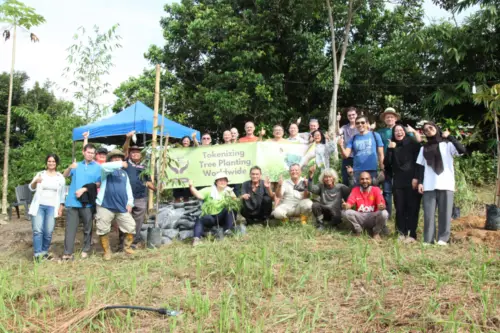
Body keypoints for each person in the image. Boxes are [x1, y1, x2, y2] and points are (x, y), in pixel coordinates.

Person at [416, 122, 466, 246]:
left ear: (437, 128)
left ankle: (443, 239)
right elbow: (420, 167)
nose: (428, 130)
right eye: (425, 130)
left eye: (431, 128)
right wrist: (420, 182)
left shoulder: (448, 145)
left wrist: (450, 137)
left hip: (446, 183)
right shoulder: (424, 148)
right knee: (428, 214)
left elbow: (462, 150)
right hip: (429, 184)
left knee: (445, 213)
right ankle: (428, 239)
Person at [377, 107, 422, 218]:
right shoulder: (380, 132)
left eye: (392, 117)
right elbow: (380, 149)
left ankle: (403, 215)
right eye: (387, 117)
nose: (389, 119)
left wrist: (414, 131)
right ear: (384, 119)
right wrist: (382, 165)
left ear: (395, 118)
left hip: (402, 166)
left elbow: (418, 143)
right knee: (387, 191)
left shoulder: (403, 130)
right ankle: (387, 215)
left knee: (401, 192)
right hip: (388, 163)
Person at [62, 144, 102, 261]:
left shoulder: (97, 167)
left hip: (87, 202)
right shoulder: (76, 165)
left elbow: (98, 183)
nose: (90, 154)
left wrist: (85, 189)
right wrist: (70, 167)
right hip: (72, 201)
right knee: (70, 228)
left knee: (88, 227)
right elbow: (64, 175)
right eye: (88, 152)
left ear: (94, 154)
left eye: (92, 153)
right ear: (83, 152)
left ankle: (86, 249)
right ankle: (68, 252)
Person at [95, 149, 136, 260]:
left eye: (119, 157)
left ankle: (127, 248)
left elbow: (128, 189)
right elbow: (103, 167)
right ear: (111, 160)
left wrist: (130, 203)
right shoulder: (106, 171)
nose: (117, 158)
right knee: (103, 229)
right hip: (105, 205)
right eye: (115, 157)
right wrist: (120, 163)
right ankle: (107, 252)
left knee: (130, 226)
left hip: (121, 206)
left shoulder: (124, 174)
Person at [384, 123, 422, 242]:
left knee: (412, 208)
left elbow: (420, 162)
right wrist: (390, 149)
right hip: (398, 181)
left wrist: (417, 178)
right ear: (393, 134)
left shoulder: (412, 144)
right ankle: (401, 232)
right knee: (399, 207)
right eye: (396, 131)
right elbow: (387, 164)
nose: (399, 132)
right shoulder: (392, 145)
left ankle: (412, 234)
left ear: (405, 132)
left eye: (401, 130)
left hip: (412, 181)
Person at [28, 154, 66, 261]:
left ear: (56, 163)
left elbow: (62, 194)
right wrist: (36, 181)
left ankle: (44, 252)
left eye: (53, 161)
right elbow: (31, 188)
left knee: (48, 231)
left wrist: (61, 208)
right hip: (39, 206)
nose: (51, 163)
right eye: (49, 161)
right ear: (46, 162)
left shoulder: (60, 177)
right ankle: (37, 254)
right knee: (37, 230)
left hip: (52, 207)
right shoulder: (41, 174)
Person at [122, 131, 156, 247]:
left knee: (138, 221)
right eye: (133, 152)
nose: (135, 154)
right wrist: (128, 138)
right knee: (124, 219)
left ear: (141, 155)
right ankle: (122, 242)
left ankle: (133, 242)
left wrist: (157, 189)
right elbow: (125, 149)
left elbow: (149, 182)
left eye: (137, 153)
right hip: (126, 198)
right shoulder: (126, 163)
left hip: (141, 197)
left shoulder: (145, 167)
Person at [189, 173, 237, 246]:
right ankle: (196, 239)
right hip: (210, 217)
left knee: (230, 208)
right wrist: (191, 186)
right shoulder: (209, 190)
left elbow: (235, 201)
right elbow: (199, 196)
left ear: (227, 182)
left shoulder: (229, 190)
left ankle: (227, 230)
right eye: (220, 180)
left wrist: (233, 198)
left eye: (225, 180)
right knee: (200, 218)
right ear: (216, 182)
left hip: (222, 217)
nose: (223, 182)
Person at [342, 171, 388, 240]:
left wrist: (382, 206)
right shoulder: (355, 190)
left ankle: (376, 232)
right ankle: (358, 231)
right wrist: (346, 206)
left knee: (384, 213)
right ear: (359, 180)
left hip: (372, 217)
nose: (365, 181)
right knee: (345, 212)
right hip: (360, 217)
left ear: (371, 180)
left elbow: (382, 205)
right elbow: (350, 203)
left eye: (367, 179)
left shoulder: (376, 190)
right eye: (362, 179)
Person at [338, 115, 384, 184]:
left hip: (372, 170)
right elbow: (346, 155)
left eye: (362, 122)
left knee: (372, 193)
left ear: (367, 123)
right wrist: (341, 146)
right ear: (355, 125)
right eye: (357, 123)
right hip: (357, 171)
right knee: (358, 193)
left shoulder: (375, 135)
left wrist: (382, 169)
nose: (360, 125)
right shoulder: (353, 138)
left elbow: (381, 154)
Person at [307, 165, 351, 230]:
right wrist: (310, 177)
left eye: (330, 177)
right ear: (323, 179)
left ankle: (331, 225)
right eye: (325, 177)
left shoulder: (340, 187)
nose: (328, 179)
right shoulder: (321, 186)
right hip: (325, 211)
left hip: (335, 212)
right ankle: (320, 223)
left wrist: (351, 175)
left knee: (338, 217)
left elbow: (351, 190)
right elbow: (311, 189)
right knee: (315, 205)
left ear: (333, 178)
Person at [338, 107, 359, 186]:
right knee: (346, 179)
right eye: (349, 115)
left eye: (353, 115)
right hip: (347, 156)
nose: (351, 116)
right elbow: (338, 132)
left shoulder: (360, 126)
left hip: (358, 156)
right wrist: (337, 121)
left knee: (357, 178)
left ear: (356, 115)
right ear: (347, 117)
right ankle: (347, 197)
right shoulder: (345, 127)